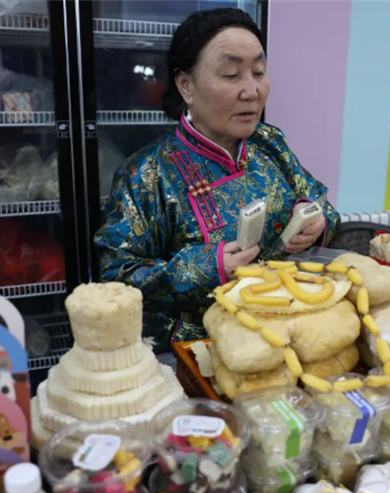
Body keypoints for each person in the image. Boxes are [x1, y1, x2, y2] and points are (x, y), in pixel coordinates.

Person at [95, 8, 341, 349]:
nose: (252, 91)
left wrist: (316, 221)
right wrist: (208, 266)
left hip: (286, 334)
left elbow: (320, 203)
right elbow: (116, 278)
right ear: (186, 85)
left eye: (259, 72)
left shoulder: (270, 143)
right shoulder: (145, 175)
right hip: (199, 352)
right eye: (231, 75)